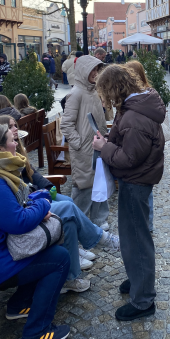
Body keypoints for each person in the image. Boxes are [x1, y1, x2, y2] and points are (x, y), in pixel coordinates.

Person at [0, 114, 120, 288]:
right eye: (11, 126)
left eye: (14, 125)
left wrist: (46, 186)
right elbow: (19, 193)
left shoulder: (15, 149)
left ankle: (73, 260)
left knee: (67, 202)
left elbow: (31, 173)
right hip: (30, 202)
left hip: (34, 196)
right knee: (67, 208)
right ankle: (100, 240)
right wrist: (39, 193)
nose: (15, 129)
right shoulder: (1, 162)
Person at [0, 124, 71, 339]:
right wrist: (43, 203)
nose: (17, 145)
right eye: (12, 140)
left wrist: (36, 203)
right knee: (59, 258)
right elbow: (18, 222)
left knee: (45, 248)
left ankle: (19, 305)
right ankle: (36, 332)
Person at [93, 65, 165, 321]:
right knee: (134, 236)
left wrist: (104, 148)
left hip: (136, 181)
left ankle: (143, 300)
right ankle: (138, 279)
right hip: (136, 180)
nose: (105, 98)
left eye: (105, 92)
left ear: (114, 88)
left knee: (136, 239)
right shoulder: (135, 108)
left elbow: (130, 157)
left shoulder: (135, 117)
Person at [61, 56, 109, 227]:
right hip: (83, 149)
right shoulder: (75, 94)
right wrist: (78, 143)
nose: (95, 73)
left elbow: (100, 118)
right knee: (83, 185)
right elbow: (66, 125)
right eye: (92, 70)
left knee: (99, 181)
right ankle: (76, 223)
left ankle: (98, 219)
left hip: (97, 146)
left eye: (97, 70)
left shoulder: (94, 91)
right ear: (83, 71)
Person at [125, 60, 156, 232]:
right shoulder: (150, 93)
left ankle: (144, 224)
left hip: (142, 146)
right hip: (150, 147)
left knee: (141, 187)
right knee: (146, 188)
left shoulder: (138, 97)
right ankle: (147, 224)